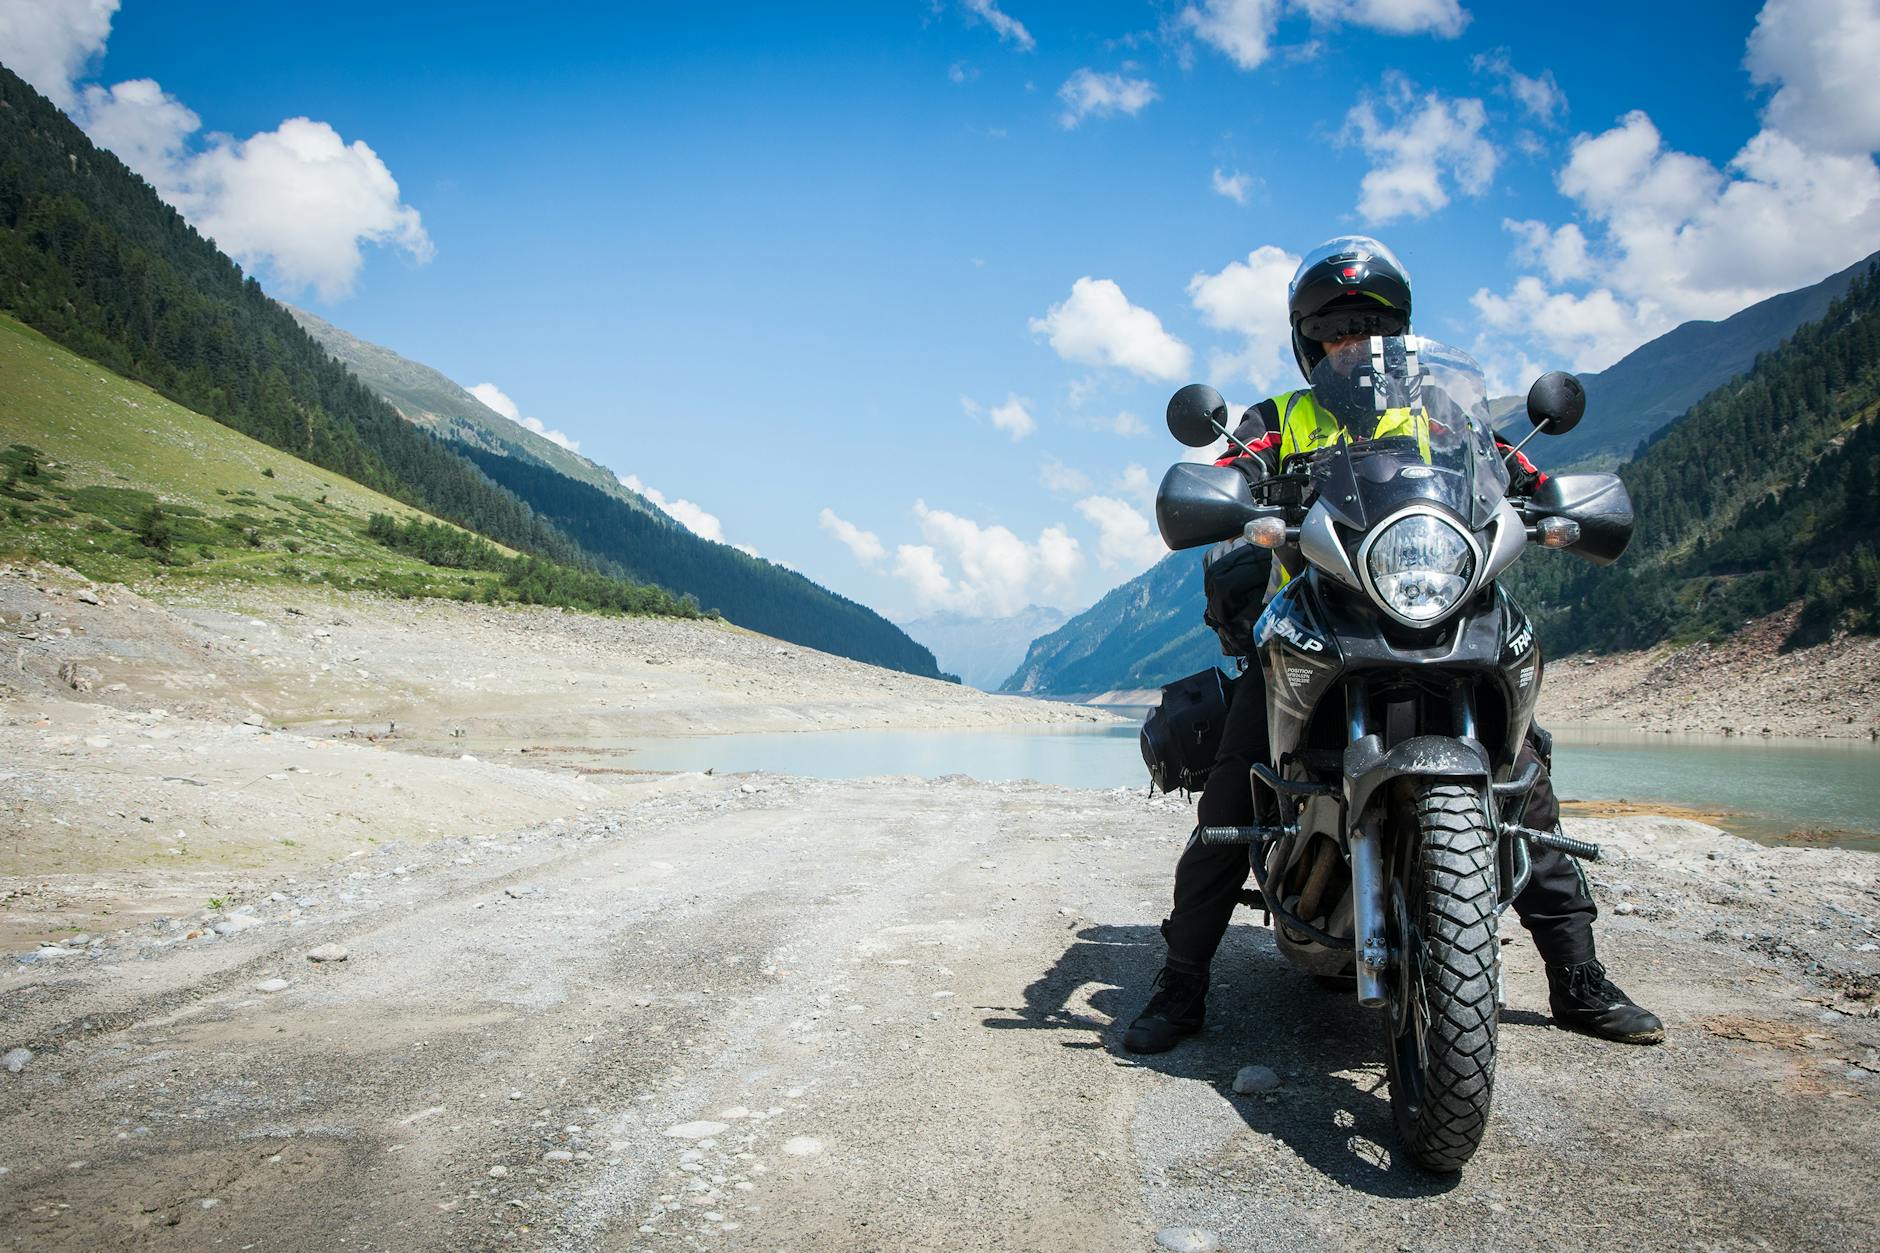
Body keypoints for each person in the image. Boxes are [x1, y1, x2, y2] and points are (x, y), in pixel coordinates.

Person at [1124, 236, 1664, 1055]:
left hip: (1439, 601)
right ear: (1312, 341)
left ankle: (1577, 974)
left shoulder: (1445, 414)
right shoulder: (1276, 420)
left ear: (1400, 335)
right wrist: (1233, 489)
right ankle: (1182, 979)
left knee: (1525, 773)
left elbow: (1502, 469)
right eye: (1337, 330)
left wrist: (1541, 491)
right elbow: (1235, 470)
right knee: (1235, 782)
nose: (1354, 345)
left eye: (1369, 329)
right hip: (1313, 616)